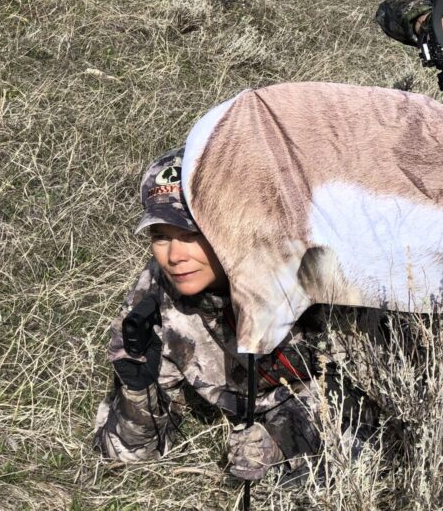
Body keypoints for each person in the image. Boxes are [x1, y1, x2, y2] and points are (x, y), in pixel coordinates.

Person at [92, 148, 374, 484]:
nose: (174, 256)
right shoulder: (155, 295)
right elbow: (132, 454)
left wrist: (281, 439)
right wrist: (138, 390)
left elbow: (370, 391)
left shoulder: (306, 269)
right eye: (160, 237)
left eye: (192, 234)